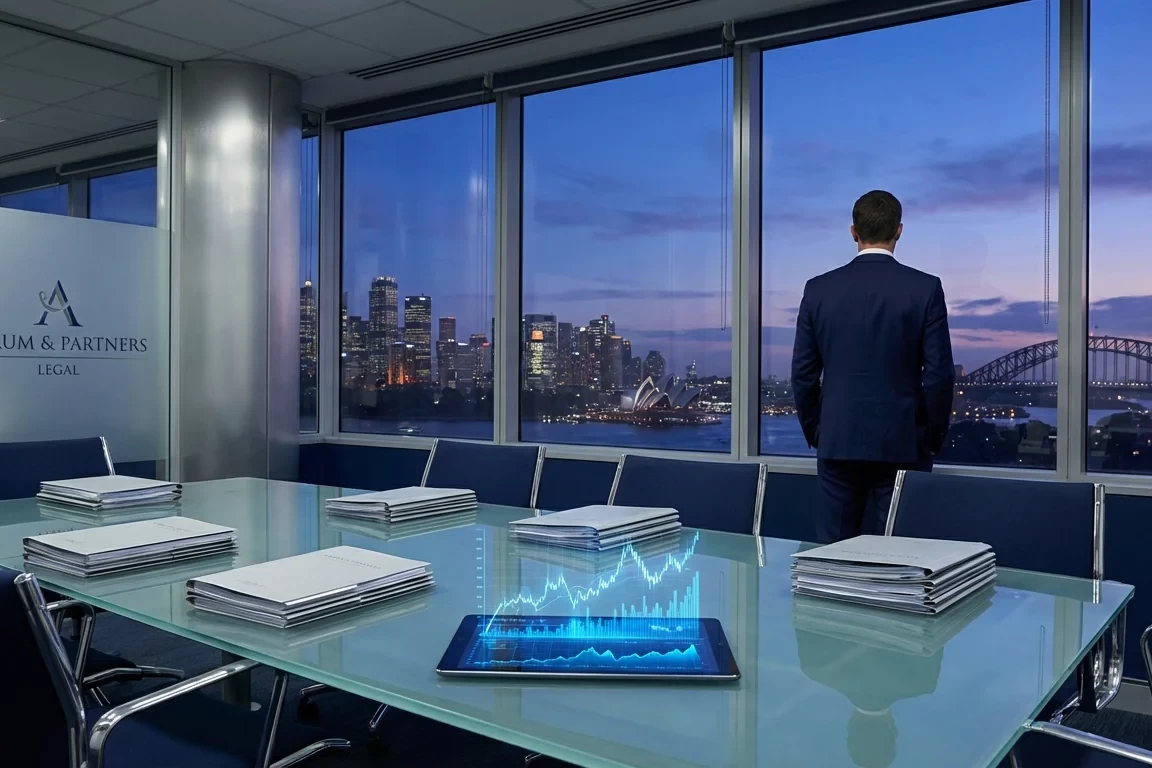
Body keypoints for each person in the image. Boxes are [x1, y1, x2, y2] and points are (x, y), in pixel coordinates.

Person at [791, 190, 955, 542]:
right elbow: (940, 375)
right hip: (903, 442)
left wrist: (818, 432)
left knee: (832, 558)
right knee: (896, 558)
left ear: (853, 232)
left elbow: (803, 374)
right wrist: (931, 438)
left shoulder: (818, 290)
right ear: (899, 230)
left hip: (838, 439)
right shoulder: (925, 289)